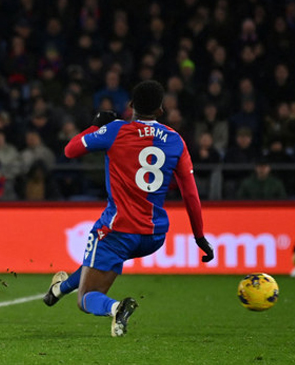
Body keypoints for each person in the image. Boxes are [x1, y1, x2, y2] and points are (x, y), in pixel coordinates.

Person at [42, 80, 214, 337]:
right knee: (95, 262)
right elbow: (191, 193)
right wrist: (199, 236)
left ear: (130, 105)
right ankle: (59, 289)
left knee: (87, 298)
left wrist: (96, 125)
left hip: (118, 230)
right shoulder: (176, 140)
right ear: (160, 110)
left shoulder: (115, 130)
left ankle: (116, 308)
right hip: (153, 236)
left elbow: (70, 150)